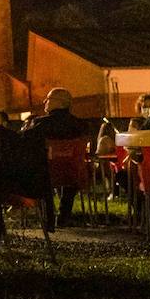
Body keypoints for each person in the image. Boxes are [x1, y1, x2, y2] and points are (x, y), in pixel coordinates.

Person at [21, 87, 96, 226]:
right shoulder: (82, 126)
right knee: (69, 171)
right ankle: (63, 215)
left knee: (41, 170)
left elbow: (25, 144)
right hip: (76, 173)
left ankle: (47, 217)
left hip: (47, 173)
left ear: (59, 102)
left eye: (48, 99)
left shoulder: (40, 124)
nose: (45, 101)